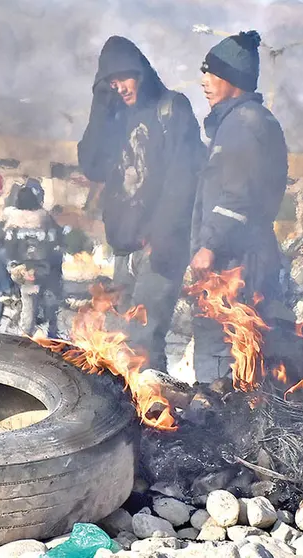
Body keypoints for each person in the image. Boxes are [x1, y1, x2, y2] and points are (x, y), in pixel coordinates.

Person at [77, 36, 205, 372]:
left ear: (142, 72)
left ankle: (156, 418)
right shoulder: (114, 117)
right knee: (119, 343)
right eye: (111, 83)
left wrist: (160, 237)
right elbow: (91, 164)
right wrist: (100, 103)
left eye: (124, 77)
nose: (119, 87)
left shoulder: (172, 108)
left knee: (144, 344)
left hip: (160, 248)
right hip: (124, 250)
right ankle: (133, 413)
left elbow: (184, 178)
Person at [190, 30, 289, 383]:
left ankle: (217, 427)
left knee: (222, 347)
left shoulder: (244, 124)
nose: (203, 82)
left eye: (210, 73)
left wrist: (209, 245)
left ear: (232, 79)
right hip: (243, 257)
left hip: (236, 262)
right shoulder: (242, 121)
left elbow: (237, 195)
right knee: (238, 346)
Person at [0, 180, 62, 338]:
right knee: (54, 290)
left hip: (19, 269)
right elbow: (57, 236)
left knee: (1, 266)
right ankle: (52, 329)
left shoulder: (12, 216)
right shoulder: (43, 215)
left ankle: (4, 295)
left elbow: (5, 240)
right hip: (42, 267)